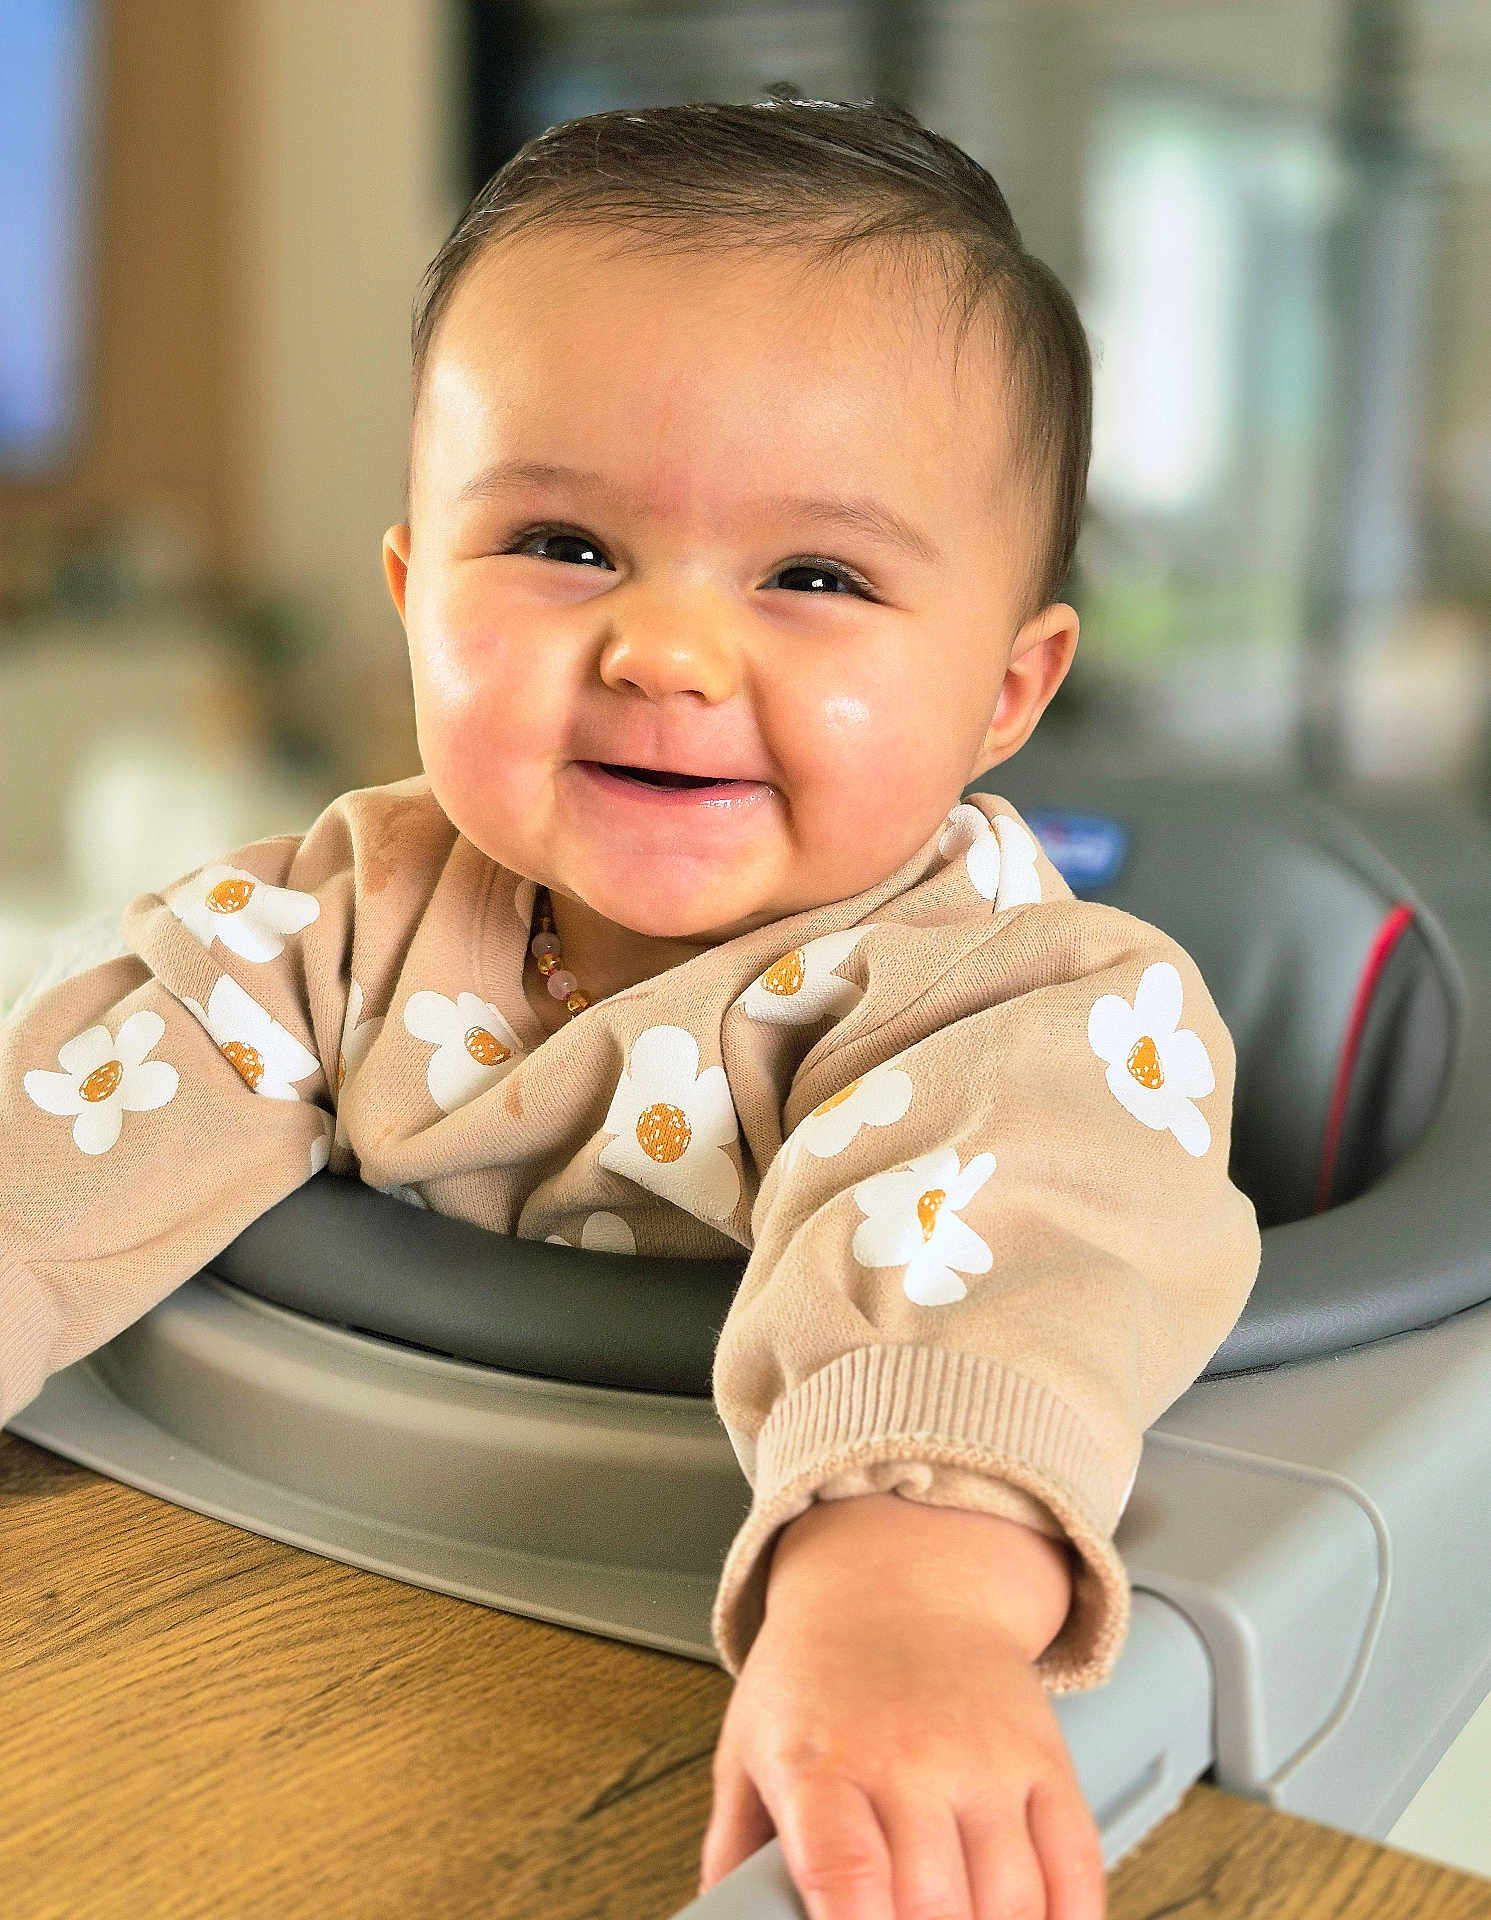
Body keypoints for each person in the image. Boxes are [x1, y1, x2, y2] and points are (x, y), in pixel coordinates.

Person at [0, 91, 1261, 1920]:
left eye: (815, 576)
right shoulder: (337, 914)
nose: (666, 650)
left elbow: (1031, 1250)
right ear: (416, 592)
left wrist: (904, 1588)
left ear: (1006, 687)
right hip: (314, 1594)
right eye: (563, 545)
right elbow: (70, 1141)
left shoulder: (1040, 1002)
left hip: (706, 1671)